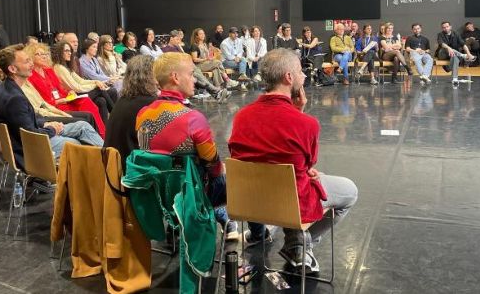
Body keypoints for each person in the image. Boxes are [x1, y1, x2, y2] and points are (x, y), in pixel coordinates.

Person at [228, 49, 358, 271]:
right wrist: (300, 112)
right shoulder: (307, 124)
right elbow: (308, 164)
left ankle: (275, 235)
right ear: (288, 77)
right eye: (300, 71)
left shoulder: (241, 116)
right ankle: (302, 244)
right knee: (349, 191)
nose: (304, 75)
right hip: (290, 203)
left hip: (249, 201)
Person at [135, 52, 238, 239]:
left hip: (158, 195)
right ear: (175, 77)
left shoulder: (142, 114)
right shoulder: (193, 118)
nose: (195, 80)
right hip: (192, 195)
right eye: (191, 74)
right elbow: (213, 167)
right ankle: (234, 223)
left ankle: (178, 221)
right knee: (234, 176)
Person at [0, 44, 102, 168]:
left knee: (83, 126)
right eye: (27, 61)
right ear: (13, 69)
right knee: (77, 143)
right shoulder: (14, 98)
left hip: (32, 137)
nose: (31, 64)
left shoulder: (5, 88)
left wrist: (46, 124)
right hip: (30, 150)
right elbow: (31, 135)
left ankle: (108, 159)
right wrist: (52, 129)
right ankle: (106, 164)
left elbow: (27, 119)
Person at [25, 43, 107, 138]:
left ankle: (102, 134)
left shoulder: (49, 71)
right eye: (38, 54)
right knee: (93, 106)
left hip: (64, 100)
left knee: (87, 101)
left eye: (44, 54)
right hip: (54, 106)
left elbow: (60, 88)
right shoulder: (30, 76)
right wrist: (57, 101)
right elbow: (40, 102)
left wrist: (68, 93)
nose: (43, 56)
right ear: (31, 57)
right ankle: (100, 136)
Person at [104, 55, 158, 165]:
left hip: (112, 166)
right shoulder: (149, 104)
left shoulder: (122, 100)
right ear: (149, 76)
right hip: (131, 168)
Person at [52, 41, 117, 122]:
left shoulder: (66, 67)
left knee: (101, 101)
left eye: (70, 51)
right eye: (66, 51)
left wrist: (96, 82)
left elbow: (81, 81)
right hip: (72, 97)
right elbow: (77, 87)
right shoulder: (59, 68)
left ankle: (106, 126)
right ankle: (116, 116)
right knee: (103, 90)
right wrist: (95, 85)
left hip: (78, 93)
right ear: (59, 52)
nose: (70, 53)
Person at [436, 21, 476, 86]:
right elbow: (442, 44)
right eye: (444, 27)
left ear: (450, 27)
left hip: (454, 54)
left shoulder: (456, 34)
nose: (445, 28)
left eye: (447, 27)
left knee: (455, 58)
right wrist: (449, 48)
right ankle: (463, 55)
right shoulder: (440, 34)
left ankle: (454, 78)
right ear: (442, 28)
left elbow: (463, 44)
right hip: (443, 54)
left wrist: (468, 54)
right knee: (447, 49)